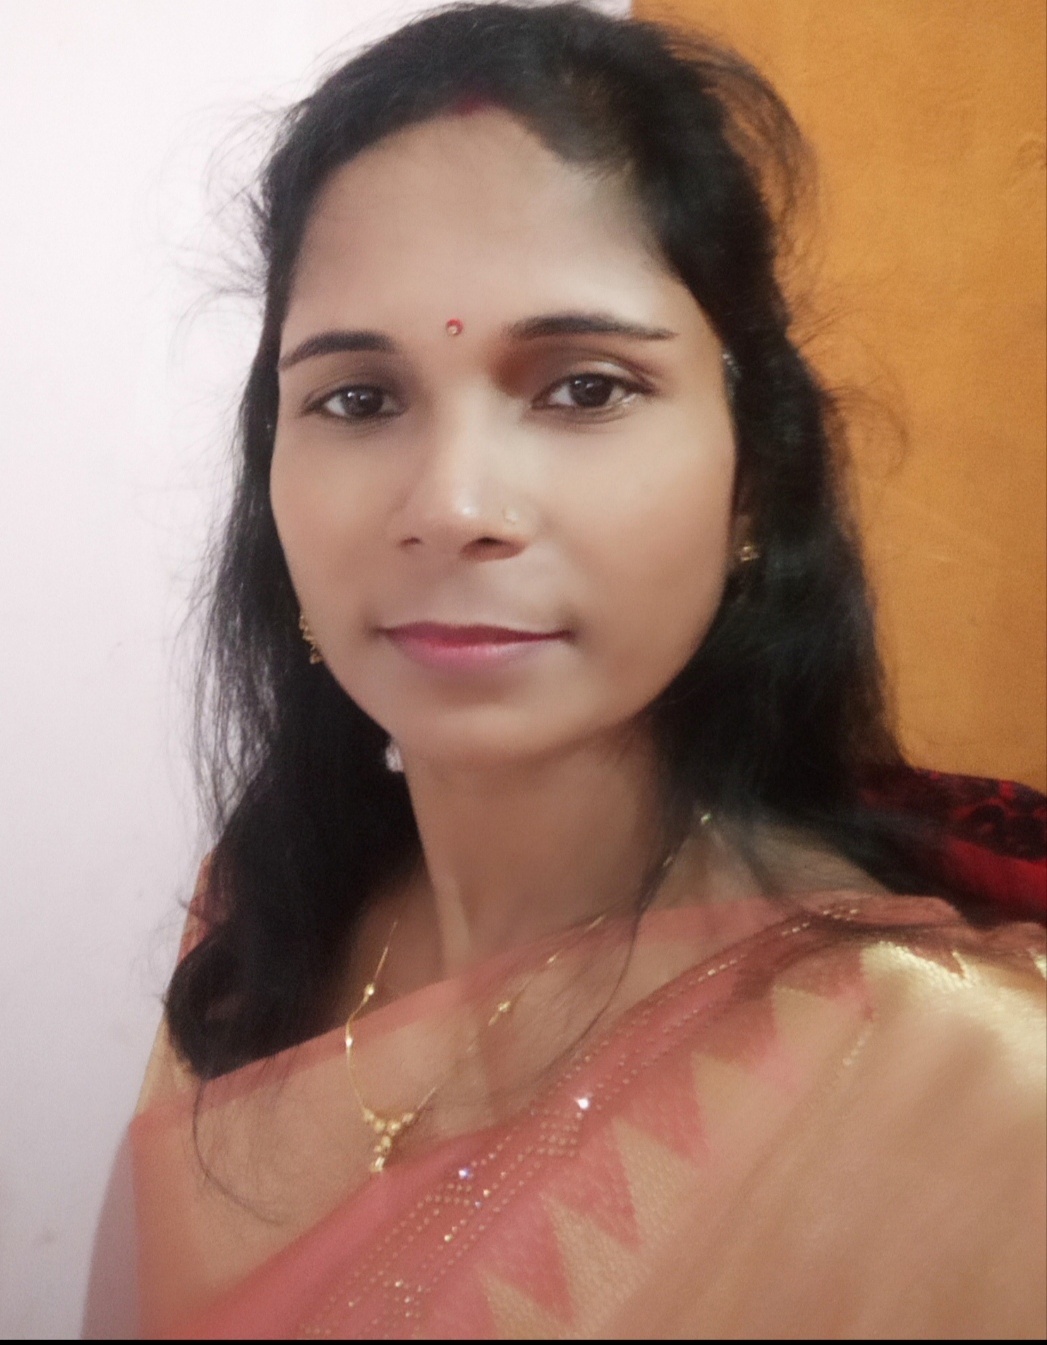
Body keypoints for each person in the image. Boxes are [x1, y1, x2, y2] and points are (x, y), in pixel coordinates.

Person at [125, 3, 1046, 1336]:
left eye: (586, 387)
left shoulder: (964, 1086)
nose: (454, 505)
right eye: (358, 398)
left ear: (755, 479)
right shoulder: (259, 929)